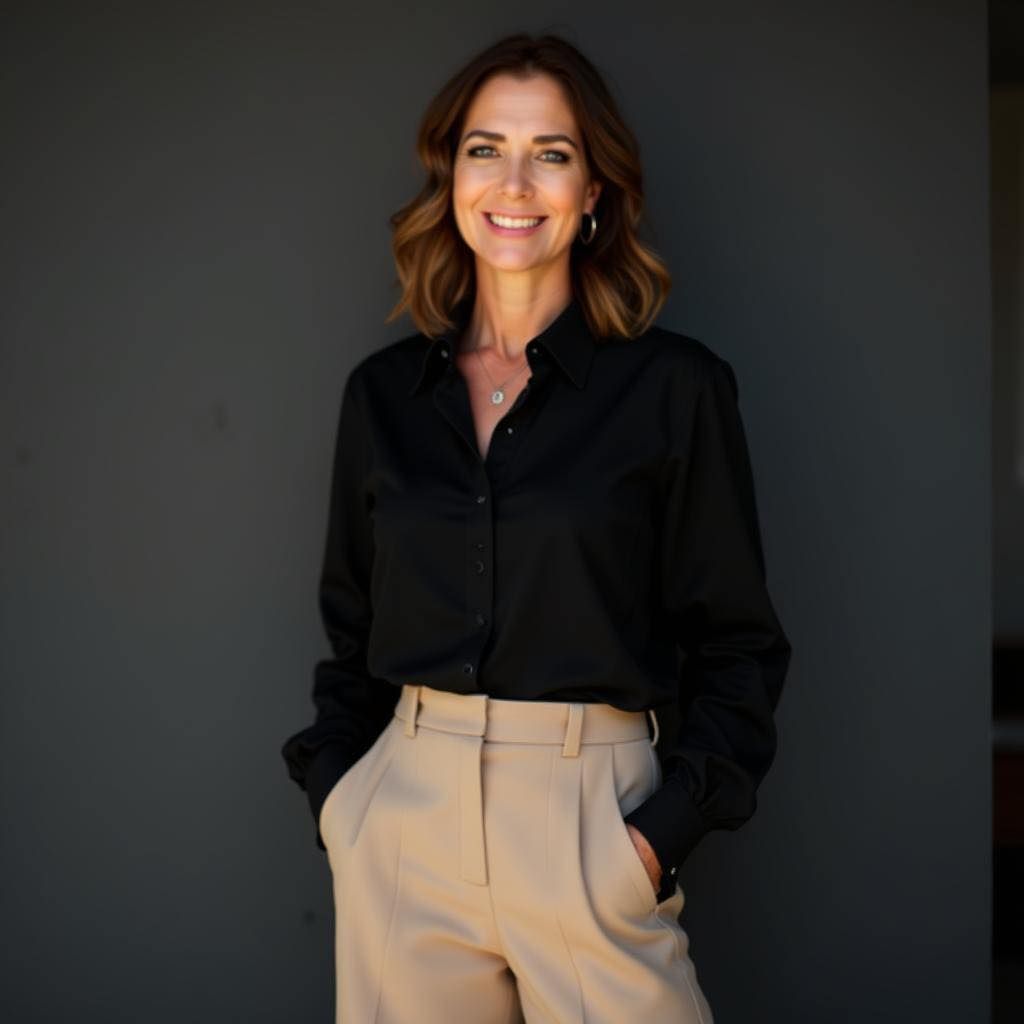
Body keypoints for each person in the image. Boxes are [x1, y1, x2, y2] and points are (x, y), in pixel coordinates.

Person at [281, 31, 792, 1024]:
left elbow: (738, 643)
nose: (514, 183)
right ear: (451, 174)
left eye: (550, 153)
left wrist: (653, 839)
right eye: (486, 148)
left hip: (591, 825)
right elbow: (350, 637)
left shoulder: (674, 390)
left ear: (593, 190)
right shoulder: (381, 398)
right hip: (405, 829)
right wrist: (344, 805)